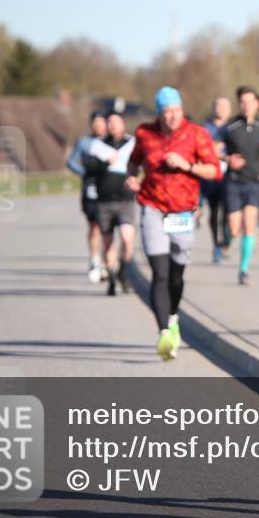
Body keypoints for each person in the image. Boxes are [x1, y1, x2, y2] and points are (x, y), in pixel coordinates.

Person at [126, 87, 221, 360]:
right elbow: (133, 164)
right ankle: (164, 332)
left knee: (177, 276)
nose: (171, 117)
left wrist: (186, 166)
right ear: (158, 113)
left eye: (175, 111)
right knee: (160, 273)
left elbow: (214, 170)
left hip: (182, 212)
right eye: (166, 112)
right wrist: (132, 178)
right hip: (152, 207)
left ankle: (173, 316)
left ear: (181, 109)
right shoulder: (145, 133)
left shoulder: (196, 133)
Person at [87, 112, 138, 296]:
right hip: (104, 200)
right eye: (110, 122)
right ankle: (111, 277)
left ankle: (123, 269)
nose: (113, 125)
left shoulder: (132, 143)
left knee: (127, 238)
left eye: (116, 122)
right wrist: (104, 162)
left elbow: (141, 165)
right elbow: (88, 167)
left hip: (126, 199)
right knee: (107, 242)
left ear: (123, 124)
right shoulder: (98, 145)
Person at [222, 86, 259, 285]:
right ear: (239, 104)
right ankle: (227, 239)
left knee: (249, 226)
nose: (247, 105)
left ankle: (243, 270)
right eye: (243, 102)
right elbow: (213, 150)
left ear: (257, 104)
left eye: (251, 101)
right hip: (233, 182)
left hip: (253, 183)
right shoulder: (230, 127)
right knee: (234, 229)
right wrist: (227, 158)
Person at [66, 111, 108, 283]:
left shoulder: (110, 142)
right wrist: (85, 172)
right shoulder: (84, 142)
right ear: (91, 124)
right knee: (95, 227)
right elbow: (71, 161)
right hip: (90, 189)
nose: (98, 126)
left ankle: (107, 263)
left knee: (107, 228)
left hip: (108, 188)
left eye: (101, 122)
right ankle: (94, 259)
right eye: (95, 123)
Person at [202, 97, 232, 263]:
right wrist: (212, 147)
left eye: (224, 106)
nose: (220, 109)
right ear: (213, 108)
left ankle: (226, 240)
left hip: (229, 175)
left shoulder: (233, 126)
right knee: (213, 211)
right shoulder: (205, 127)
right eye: (218, 105)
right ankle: (216, 245)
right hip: (211, 174)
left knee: (228, 212)